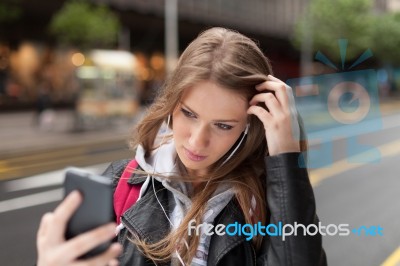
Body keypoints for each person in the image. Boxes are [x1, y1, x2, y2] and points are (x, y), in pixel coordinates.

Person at [36, 27, 327, 266]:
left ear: (249, 126)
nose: (197, 141)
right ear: (173, 103)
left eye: (223, 125)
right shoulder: (121, 187)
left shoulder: (267, 202)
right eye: (189, 114)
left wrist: (287, 157)